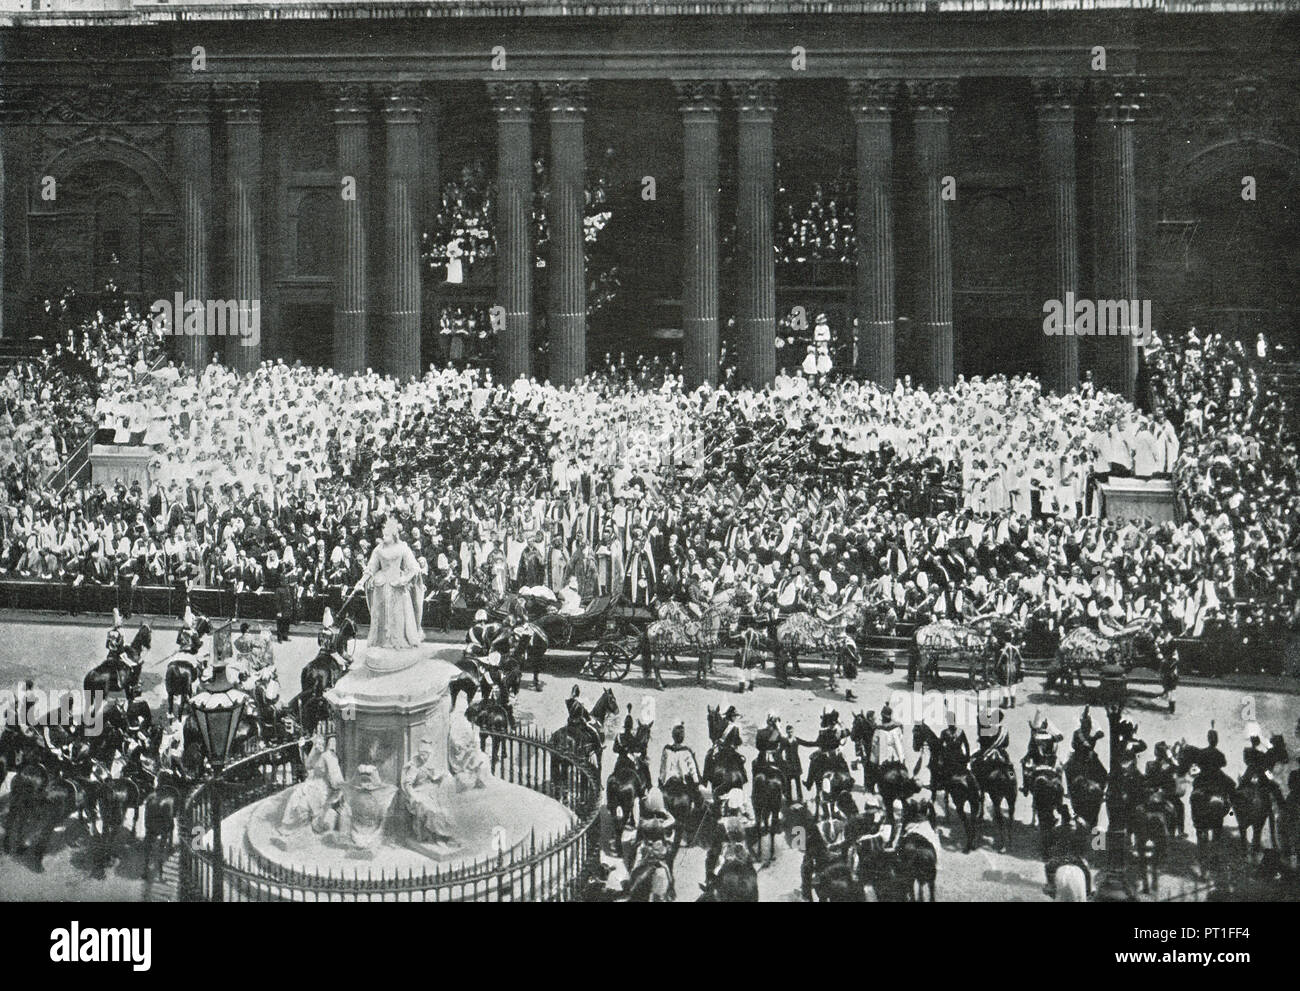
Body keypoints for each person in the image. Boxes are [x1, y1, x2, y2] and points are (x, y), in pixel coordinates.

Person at [357, 516, 424, 650]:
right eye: (383, 534)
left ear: (394, 534)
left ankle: (399, 641)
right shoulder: (378, 549)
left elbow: (414, 568)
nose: (384, 536)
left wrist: (403, 580)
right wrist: (361, 581)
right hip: (381, 585)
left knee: (398, 614)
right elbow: (371, 567)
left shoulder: (403, 547)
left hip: (397, 585)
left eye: (387, 534)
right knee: (380, 614)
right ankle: (381, 641)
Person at [705, 788, 754, 879]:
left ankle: (709, 880)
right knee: (746, 854)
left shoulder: (724, 807)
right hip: (737, 839)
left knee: (715, 855)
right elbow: (749, 818)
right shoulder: (739, 811)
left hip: (726, 839)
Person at [1022, 710, 1064, 796]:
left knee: (1024, 765)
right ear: (1045, 725)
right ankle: (1060, 789)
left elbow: (1031, 749)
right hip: (1050, 761)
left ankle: (1025, 787)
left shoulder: (1034, 735)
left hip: (1036, 761)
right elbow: (1061, 737)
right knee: (1059, 770)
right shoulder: (1051, 736)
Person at [659, 719, 701, 790]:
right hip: (682, 780)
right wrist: (696, 781)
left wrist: (661, 780)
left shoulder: (667, 749)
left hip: (670, 779)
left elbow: (662, 767)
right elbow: (692, 767)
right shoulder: (685, 750)